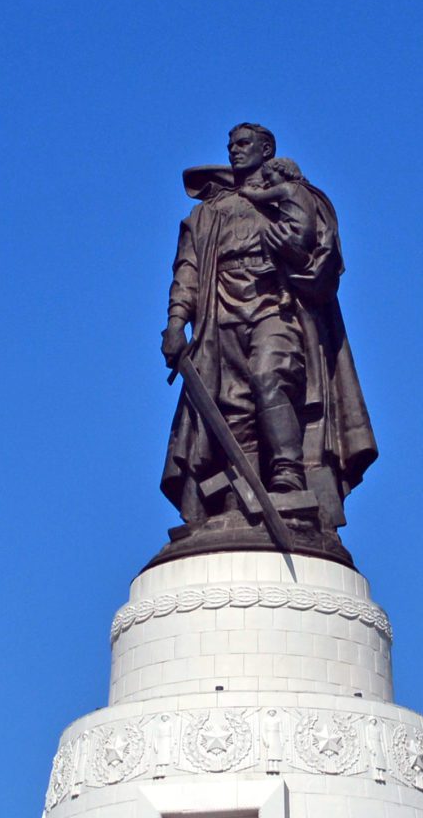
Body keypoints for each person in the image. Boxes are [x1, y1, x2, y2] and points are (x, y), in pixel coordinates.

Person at [160, 124, 376, 538]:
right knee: (232, 405)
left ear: (266, 149)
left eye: (243, 145)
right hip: (219, 315)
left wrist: (293, 253)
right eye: (230, 146)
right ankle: (237, 498)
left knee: (270, 375)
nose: (234, 152)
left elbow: (323, 257)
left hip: (275, 307)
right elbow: (186, 270)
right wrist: (174, 323)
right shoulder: (208, 212)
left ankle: (288, 475)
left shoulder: (294, 195)